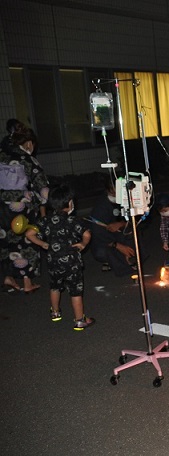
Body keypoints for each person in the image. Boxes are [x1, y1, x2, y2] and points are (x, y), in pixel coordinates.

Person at [25, 184, 95, 330]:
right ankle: (79, 320)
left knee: (55, 287)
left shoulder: (44, 221)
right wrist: (82, 244)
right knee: (75, 291)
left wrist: (43, 244)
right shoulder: (75, 221)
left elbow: (29, 234)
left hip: (53, 262)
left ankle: (55, 312)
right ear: (70, 203)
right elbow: (87, 234)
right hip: (72, 263)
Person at [0, 125, 48, 293]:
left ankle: (8, 277)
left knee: (6, 241)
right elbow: (42, 187)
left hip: (2, 208)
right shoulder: (27, 160)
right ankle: (27, 283)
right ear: (28, 143)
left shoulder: (2, 156)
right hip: (22, 208)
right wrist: (44, 201)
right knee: (26, 241)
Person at [89, 176, 138, 277]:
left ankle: (126, 257)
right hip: (106, 239)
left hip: (119, 234)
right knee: (101, 252)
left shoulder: (128, 198)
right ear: (110, 190)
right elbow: (97, 233)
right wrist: (118, 246)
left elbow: (137, 220)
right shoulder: (101, 206)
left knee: (132, 231)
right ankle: (115, 260)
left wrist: (121, 223)